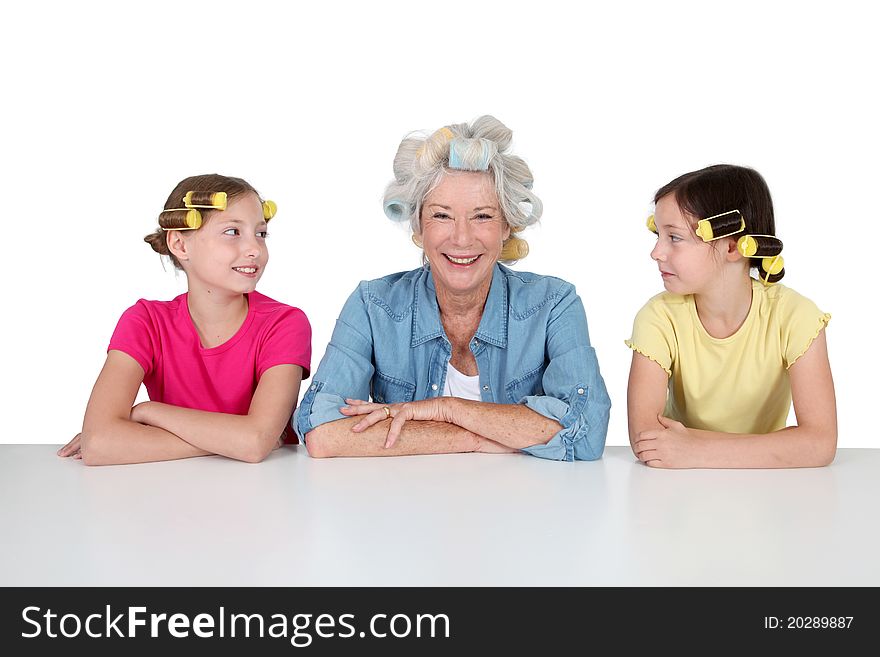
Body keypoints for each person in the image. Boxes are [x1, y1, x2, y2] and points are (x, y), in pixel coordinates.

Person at [294, 116, 610, 460]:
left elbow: (586, 432)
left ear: (507, 226)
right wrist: (477, 439)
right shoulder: (373, 305)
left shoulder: (553, 304)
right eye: (442, 216)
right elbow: (322, 433)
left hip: (522, 508)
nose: (461, 238)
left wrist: (447, 409)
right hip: (404, 507)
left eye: (483, 216)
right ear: (418, 227)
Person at [58, 174, 311, 465]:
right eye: (232, 232)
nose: (255, 248)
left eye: (261, 233)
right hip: (169, 495)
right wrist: (234, 441)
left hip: (264, 491)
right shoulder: (145, 321)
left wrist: (148, 412)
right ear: (180, 244)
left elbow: (254, 444)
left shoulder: (285, 323)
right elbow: (99, 443)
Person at [626, 164, 836, 468]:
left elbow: (820, 443)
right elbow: (647, 439)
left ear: (732, 246)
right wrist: (783, 447)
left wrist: (696, 451)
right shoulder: (658, 318)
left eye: (674, 238)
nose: (656, 252)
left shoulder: (796, 317)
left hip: (766, 488)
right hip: (679, 488)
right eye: (658, 235)